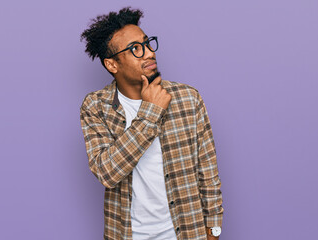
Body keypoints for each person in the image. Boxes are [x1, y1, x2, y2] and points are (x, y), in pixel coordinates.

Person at [79, 6, 224, 240]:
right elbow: (107, 173)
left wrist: (214, 230)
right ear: (112, 65)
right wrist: (151, 112)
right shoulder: (96, 106)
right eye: (136, 49)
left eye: (147, 43)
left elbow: (208, 173)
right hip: (128, 234)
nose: (148, 53)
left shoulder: (188, 98)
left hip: (187, 233)